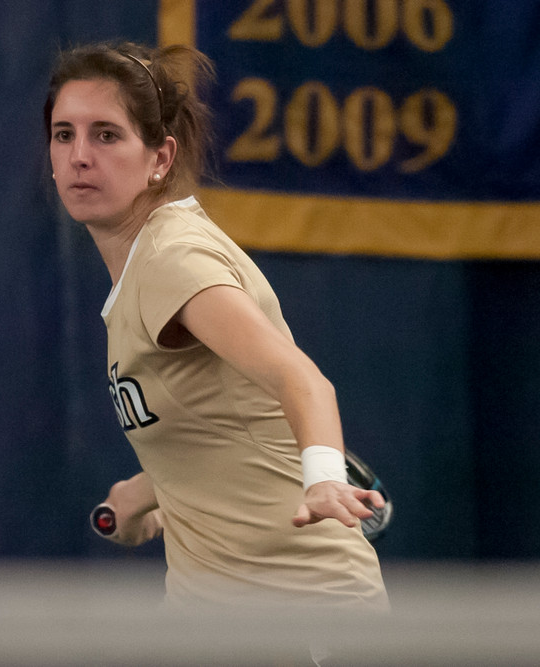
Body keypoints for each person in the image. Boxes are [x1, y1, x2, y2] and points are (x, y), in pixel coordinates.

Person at [45, 41, 389, 613]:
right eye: (64, 134)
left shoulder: (171, 260)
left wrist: (325, 477)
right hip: (211, 620)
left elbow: (301, 381)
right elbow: (225, 427)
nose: (80, 155)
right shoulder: (148, 261)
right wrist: (142, 493)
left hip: (304, 610)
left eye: (106, 135)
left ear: (160, 158)